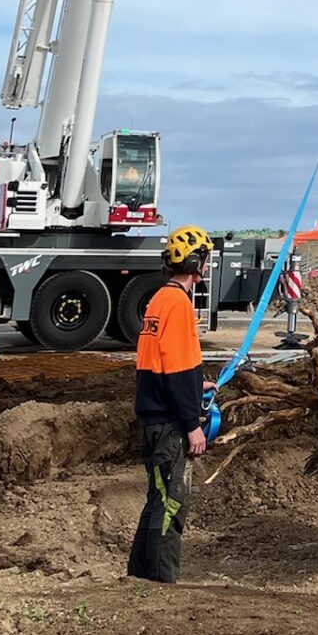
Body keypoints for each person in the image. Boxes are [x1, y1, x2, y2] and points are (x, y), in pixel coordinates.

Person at [128, 224, 210, 584]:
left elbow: (162, 363)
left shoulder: (160, 299)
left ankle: (139, 575)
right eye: (204, 258)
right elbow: (175, 370)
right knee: (171, 503)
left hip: (154, 414)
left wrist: (196, 384)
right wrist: (192, 425)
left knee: (157, 501)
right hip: (169, 424)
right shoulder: (178, 304)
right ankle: (162, 583)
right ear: (195, 263)